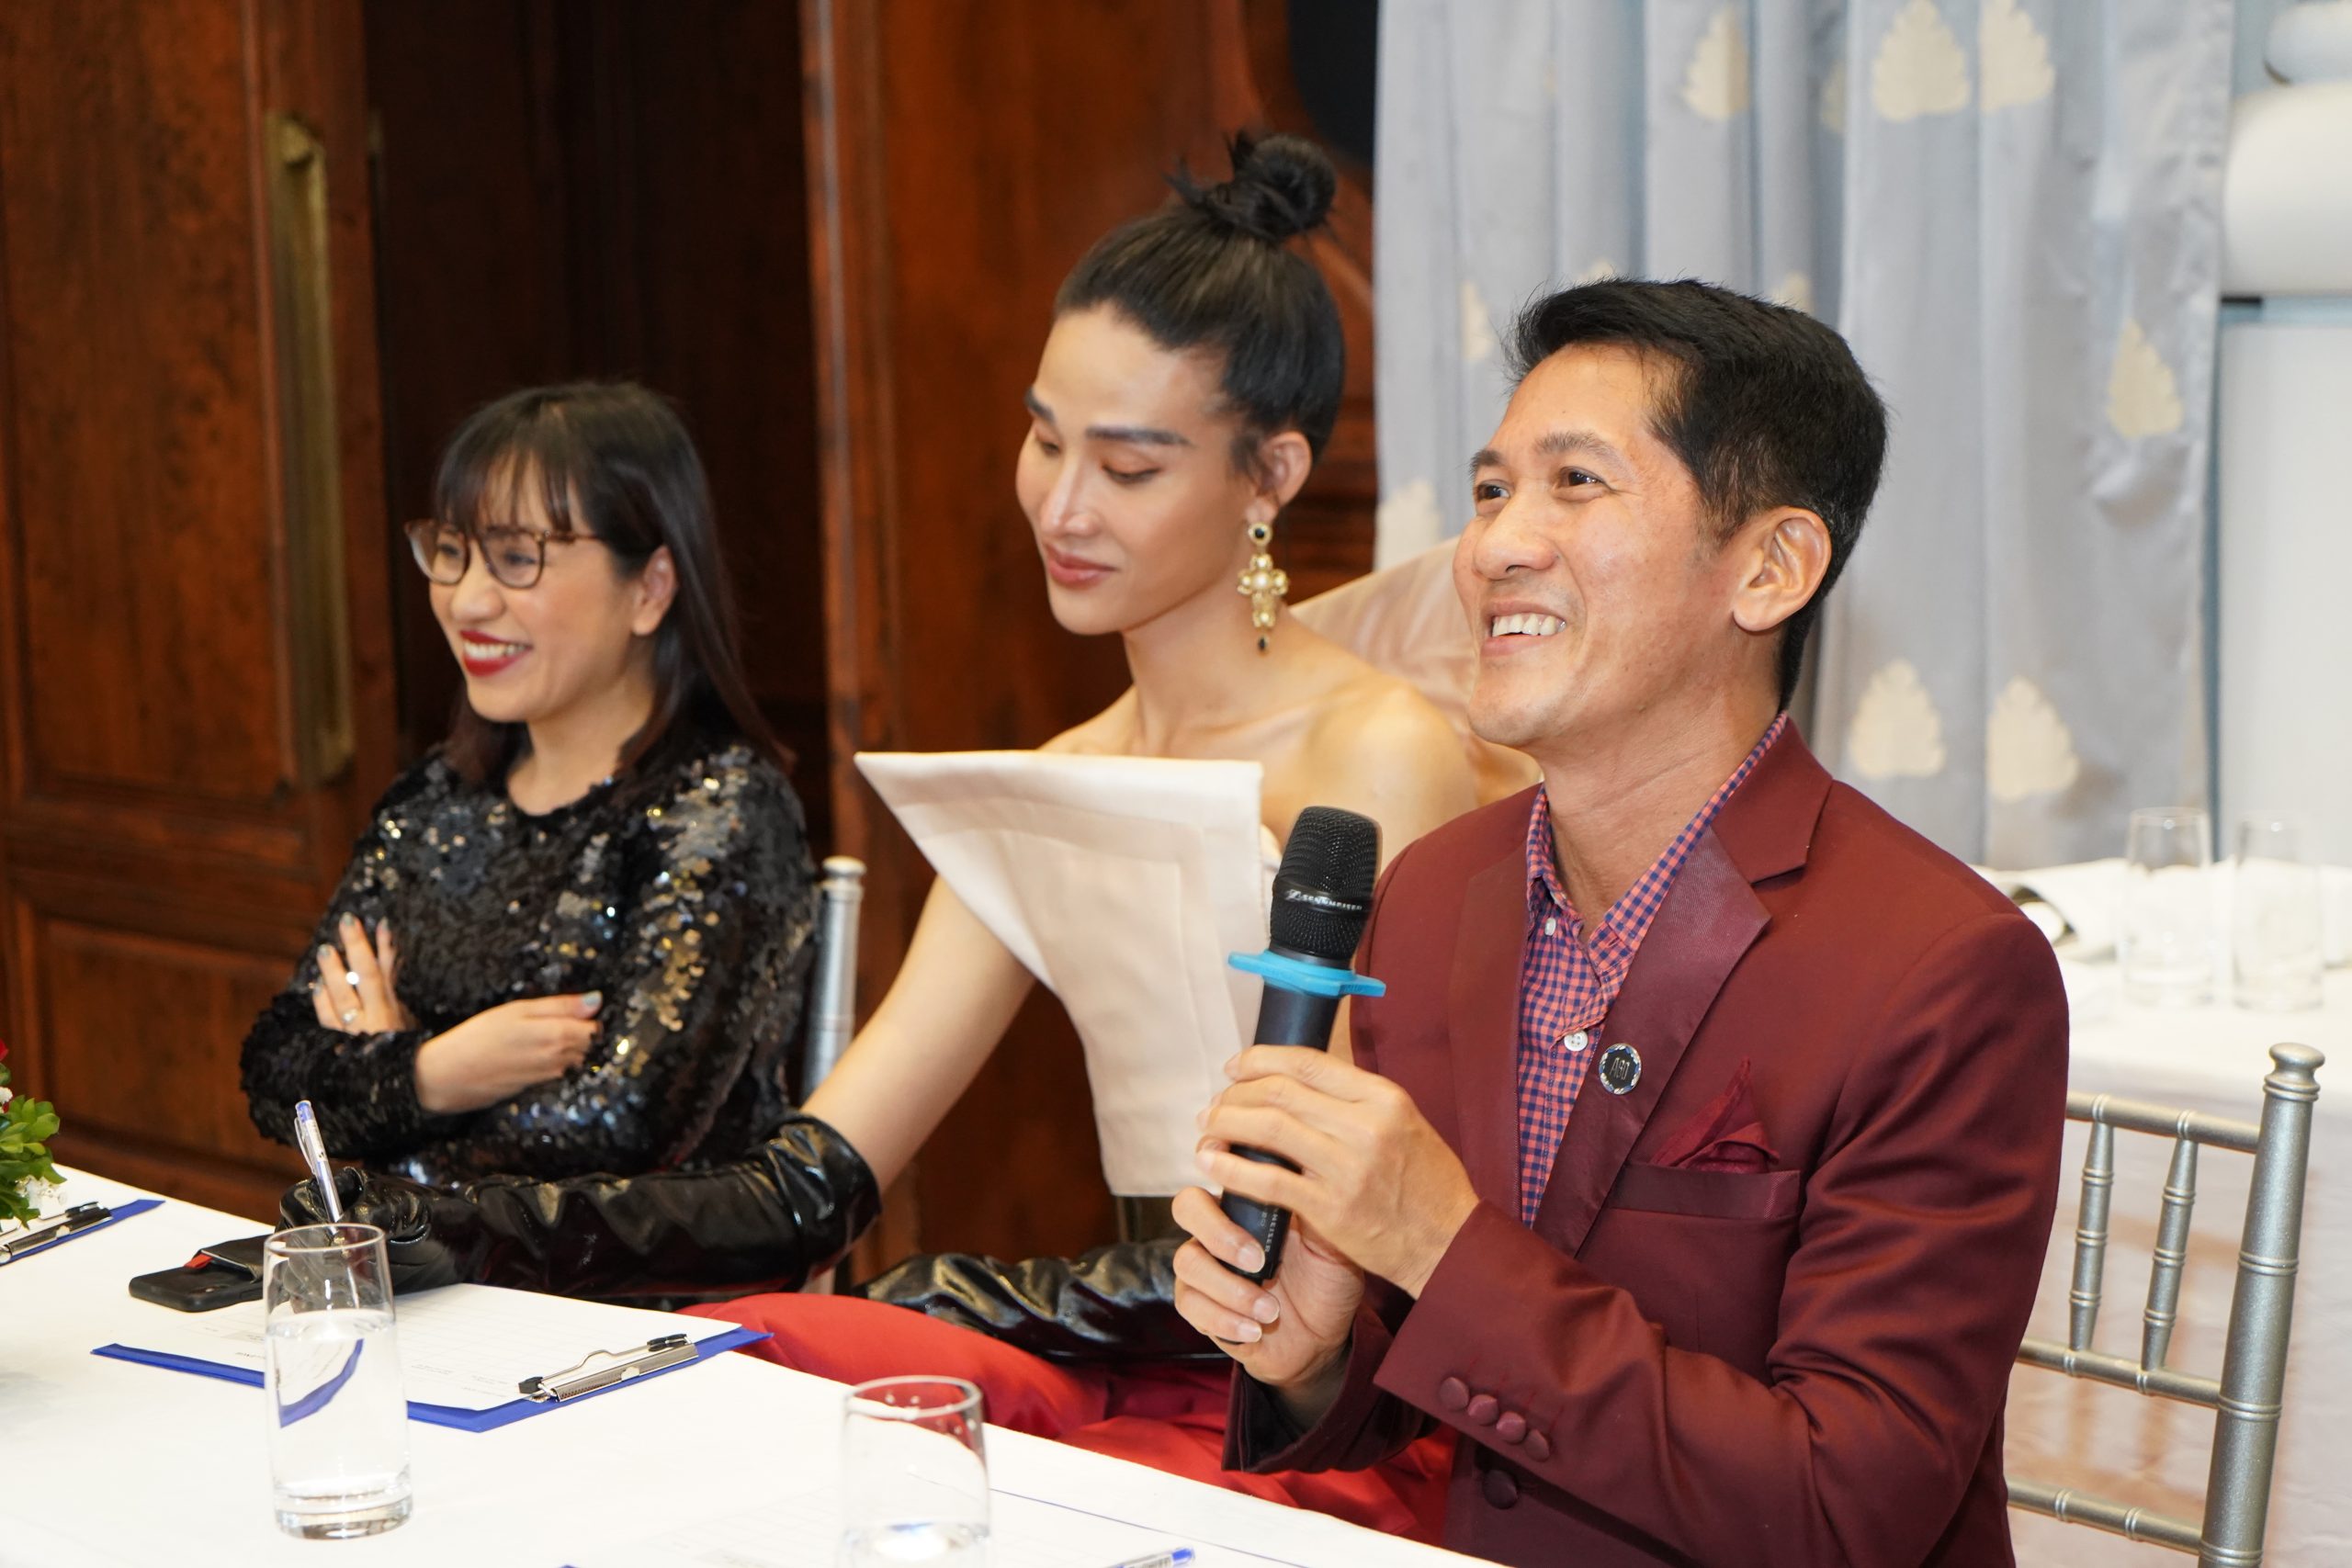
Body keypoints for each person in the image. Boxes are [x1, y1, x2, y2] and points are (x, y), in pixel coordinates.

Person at [285, 136, 1470, 1534]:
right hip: (1124, 1347)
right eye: (1045, 439)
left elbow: (1381, 1223)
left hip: (1331, 1389)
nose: (1062, 505)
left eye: (1128, 465)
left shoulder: (1382, 752)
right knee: (734, 1369)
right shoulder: (1055, 782)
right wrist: (475, 1231)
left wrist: (987, 1297)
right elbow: (815, 1179)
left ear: (1270, 473)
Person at [1168, 279, 2070, 1567]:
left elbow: (1846, 1512)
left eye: (1575, 483)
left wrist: (1440, 1244)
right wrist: (1315, 1355)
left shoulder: (1942, 968)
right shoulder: (1434, 892)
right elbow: (1461, 1387)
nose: (1494, 545)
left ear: (1769, 568)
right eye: (1490, 490)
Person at [243, 384, 862, 1255]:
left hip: (639, 1306)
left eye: (515, 558)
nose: (466, 601)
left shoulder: (720, 807)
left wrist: (389, 1115)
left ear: (650, 589)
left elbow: (622, 1126)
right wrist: (439, 1069)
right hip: (432, 1282)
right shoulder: (437, 799)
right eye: (451, 552)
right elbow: (279, 1068)